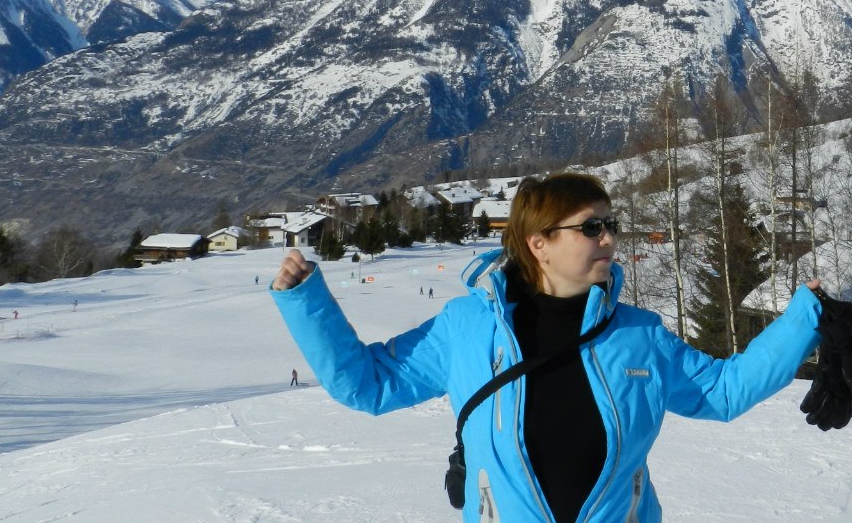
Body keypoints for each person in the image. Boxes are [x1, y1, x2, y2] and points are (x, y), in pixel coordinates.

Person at [271, 173, 823, 522]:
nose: (609, 238)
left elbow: (723, 392)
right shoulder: (468, 329)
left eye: (610, 224)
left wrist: (808, 317)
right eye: (591, 227)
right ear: (540, 243)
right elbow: (369, 386)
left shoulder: (639, 335)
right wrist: (305, 303)